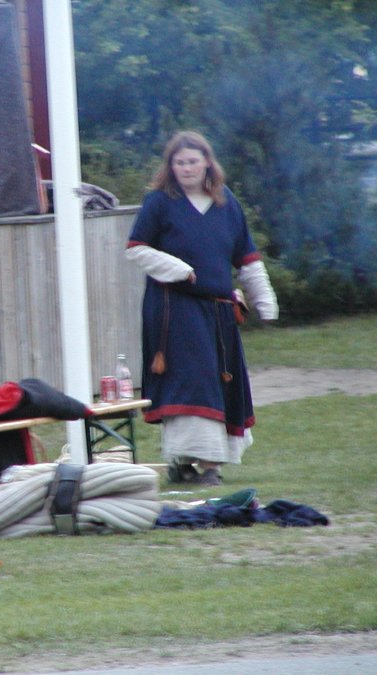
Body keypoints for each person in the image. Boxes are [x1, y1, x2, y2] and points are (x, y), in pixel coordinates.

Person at [125, 130, 278, 486]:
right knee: (192, 382)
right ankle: (206, 465)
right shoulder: (159, 202)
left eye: (193, 161)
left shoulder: (226, 203)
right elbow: (136, 249)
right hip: (173, 309)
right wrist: (178, 269)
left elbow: (246, 257)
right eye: (179, 162)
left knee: (219, 382)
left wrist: (265, 301)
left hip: (219, 312)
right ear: (171, 166)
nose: (186, 168)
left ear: (207, 162)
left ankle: (186, 461)